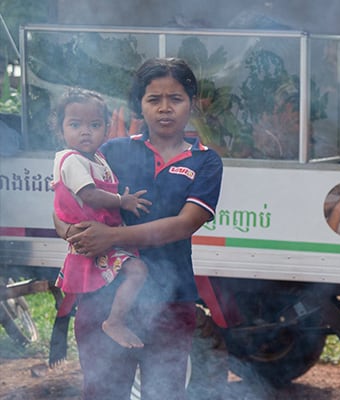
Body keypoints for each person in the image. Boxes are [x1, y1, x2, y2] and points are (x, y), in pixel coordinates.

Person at [54, 57, 223, 399]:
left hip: (171, 305)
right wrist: (70, 232)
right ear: (139, 105)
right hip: (103, 299)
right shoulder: (111, 152)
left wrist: (112, 236)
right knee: (103, 393)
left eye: (175, 99)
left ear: (191, 103)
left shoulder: (206, 161)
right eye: (153, 99)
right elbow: (66, 202)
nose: (165, 109)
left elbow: (184, 224)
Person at [51, 88, 151, 349]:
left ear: (106, 129)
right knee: (138, 272)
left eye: (94, 125)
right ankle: (115, 321)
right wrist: (122, 201)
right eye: (75, 124)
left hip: (104, 237)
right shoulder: (71, 160)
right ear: (60, 130)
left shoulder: (96, 158)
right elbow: (90, 196)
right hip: (93, 239)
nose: (85, 131)